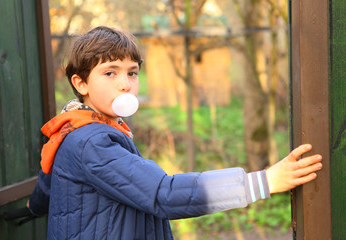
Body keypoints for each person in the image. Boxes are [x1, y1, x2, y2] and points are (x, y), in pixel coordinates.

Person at [28, 26, 323, 240]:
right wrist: (264, 182)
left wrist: (32, 206)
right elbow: (163, 194)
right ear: (81, 84)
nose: (125, 84)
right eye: (110, 72)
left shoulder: (71, 127)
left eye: (132, 72)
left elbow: (46, 186)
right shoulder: (92, 141)